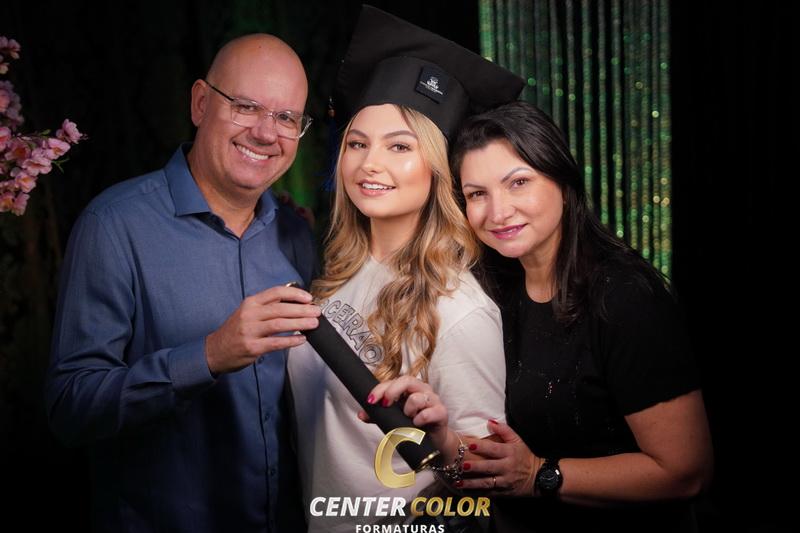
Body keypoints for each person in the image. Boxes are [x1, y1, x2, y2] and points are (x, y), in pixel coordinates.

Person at [45, 34, 321, 533]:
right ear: (200, 103)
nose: (266, 133)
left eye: (286, 118)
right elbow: (70, 408)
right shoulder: (115, 226)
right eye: (245, 106)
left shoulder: (297, 235)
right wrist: (209, 356)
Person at [286, 7, 523, 533]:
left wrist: (445, 443)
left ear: (436, 167)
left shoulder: (460, 313)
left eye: (399, 146)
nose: (370, 163)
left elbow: (482, 486)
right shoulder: (335, 270)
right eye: (357, 143)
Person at [446, 100, 713, 532]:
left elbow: (685, 471)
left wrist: (538, 474)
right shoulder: (494, 287)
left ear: (562, 179)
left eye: (518, 183)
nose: (497, 212)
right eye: (478, 194)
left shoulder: (624, 297)